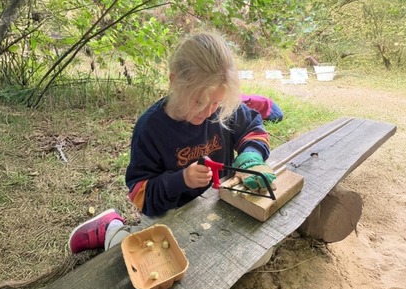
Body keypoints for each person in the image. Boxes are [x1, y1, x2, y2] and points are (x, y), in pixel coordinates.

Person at [68, 32, 276, 264]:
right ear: (175, 81)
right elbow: (140, 194)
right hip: (170, 213)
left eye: (216, 102)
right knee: (137, 260)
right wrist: (181, 181)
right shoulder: (151, 129)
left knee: (259, 256)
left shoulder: (221, 108)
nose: (209, 112)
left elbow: (253, 127)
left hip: (218, 203)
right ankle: (112, 229)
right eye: (199, 101)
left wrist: (251, 154)